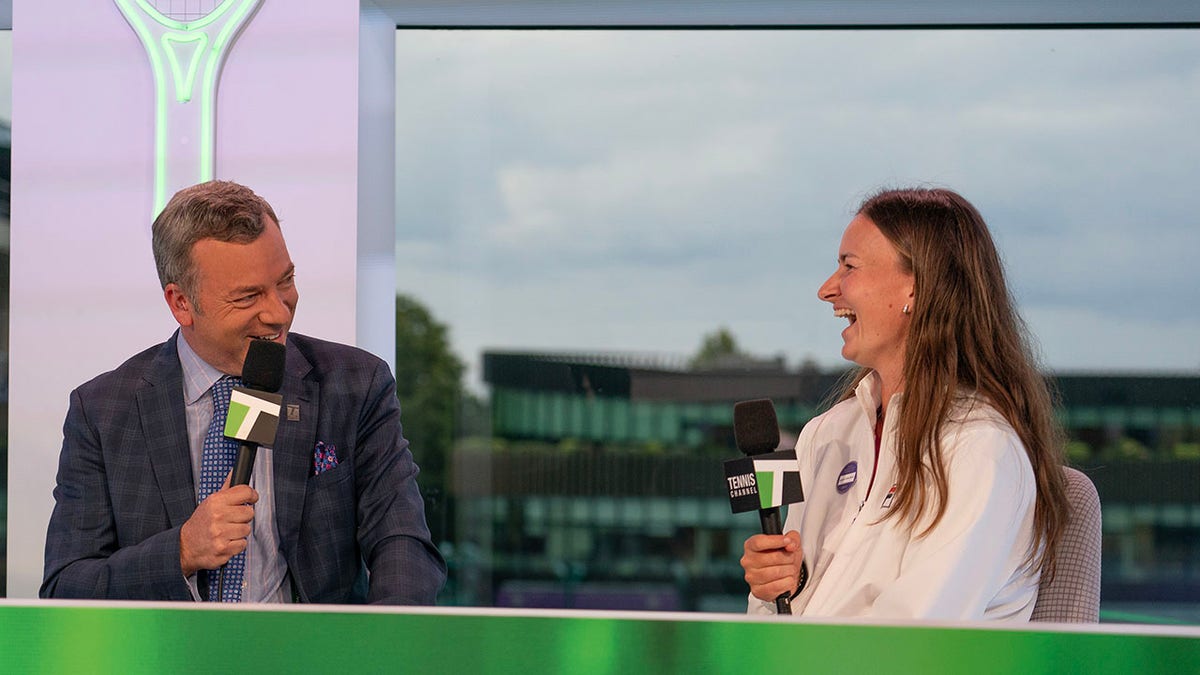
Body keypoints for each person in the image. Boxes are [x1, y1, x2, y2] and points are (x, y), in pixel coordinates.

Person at [42, 180, 446, 604]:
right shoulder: (102, 411)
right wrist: (180, 551)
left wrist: (384, 653)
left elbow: (404, 547)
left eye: (285, 280)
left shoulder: (355, 385)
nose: (277, 313)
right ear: (181, 303)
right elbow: (66, 587)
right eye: (248, 296)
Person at [741, 187, 1069, 620]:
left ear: (916, 286)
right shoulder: (826, 435)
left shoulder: (979, 451)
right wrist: (785, 586)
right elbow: (768, 625)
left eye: (849, 266)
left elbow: (911, 644)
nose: (826, 290)